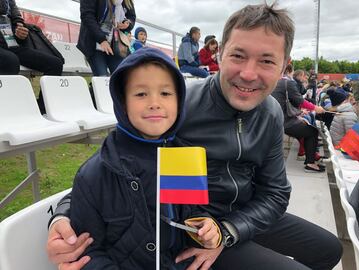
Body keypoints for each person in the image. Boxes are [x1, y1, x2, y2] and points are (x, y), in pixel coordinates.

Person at [47, 3, 343, 270]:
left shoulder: (271, 113)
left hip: (238, 220)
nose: (249, 74)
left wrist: (228, 232)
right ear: (220, 53)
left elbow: (275, 193)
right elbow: (115, 165)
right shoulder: (176, 105)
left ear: (284, 65)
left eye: (266, 61)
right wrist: (61, 218)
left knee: (330, 250)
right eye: (238, 56)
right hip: (191, 228)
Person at [57, 47, 222, 269]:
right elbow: (87, 251)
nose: (155, 102)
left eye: (165, 93)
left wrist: (208, 228)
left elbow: (193, 215)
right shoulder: (95, 173)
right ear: (122, 102)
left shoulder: (185, 157)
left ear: (179, 101)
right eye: (141, 94)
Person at [77, 0, 136, 76]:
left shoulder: (127, 1)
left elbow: (131, 16)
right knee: (102, 77)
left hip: (115, 44)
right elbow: (87, 15)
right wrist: (101, 40)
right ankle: (94, 87)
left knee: (120, 78)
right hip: (95, 43)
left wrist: (127, 23)